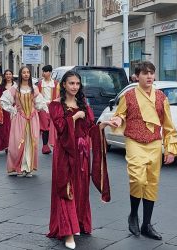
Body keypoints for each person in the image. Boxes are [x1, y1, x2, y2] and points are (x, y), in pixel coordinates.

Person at [110, 61, 177, 241]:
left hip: (155, 143)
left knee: (151, 183)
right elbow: (120, 114)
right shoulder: (129, 95)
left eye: (151, 73)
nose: (149, 76)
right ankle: (133, 214)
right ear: (137, 76)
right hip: (134, 141)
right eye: (145, 73)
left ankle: (146, 224)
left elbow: (168, 125)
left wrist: (170, 149)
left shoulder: (161, 97)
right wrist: (117, 120)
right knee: (138, 178)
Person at [47, 70, 115, 249]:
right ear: (63, 85)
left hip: (82, 153)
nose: (75, 87)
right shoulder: (55, 105)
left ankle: (77, 223)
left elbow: (89, 129)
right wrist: (74, 117)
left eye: (77, 84)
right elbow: (61, 130)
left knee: (80, 189)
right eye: (71, 83)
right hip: (65, 153)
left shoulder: (83, 104)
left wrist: (103, 125)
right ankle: (68, 232)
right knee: (66, 189)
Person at [0, 66, 48, 177]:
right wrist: (13, 109)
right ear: (21, 74)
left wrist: (42, 108)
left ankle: (29, 168)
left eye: (28, 72)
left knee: (31, 142)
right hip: (19, 118)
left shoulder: (34, 88)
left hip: (32, 118)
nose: (26, 74)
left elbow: (40, 103)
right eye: (24, 72)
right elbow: (4, 100)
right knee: (17, 142)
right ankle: (19, 167)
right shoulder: (15, 88)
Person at [37, 65, 60, 154]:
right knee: (45, 127)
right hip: (43, 107)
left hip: (53, 107)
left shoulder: (56, 84)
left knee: (54, 127)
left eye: (45, 71)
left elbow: (58, 96)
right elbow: (37, 96)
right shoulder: (39, 84)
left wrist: (53, 103)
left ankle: (54, 144)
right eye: (43, 71)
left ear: (50, 72)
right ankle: (45, 146)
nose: (43, 73)